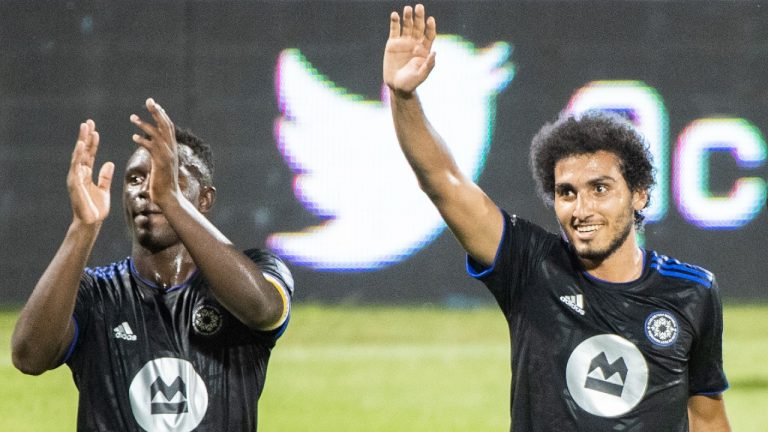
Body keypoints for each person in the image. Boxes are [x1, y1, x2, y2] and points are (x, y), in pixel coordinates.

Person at [383, 4, 730, 431]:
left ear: (639, 195)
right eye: (567, 192)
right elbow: (443, 181)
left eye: (599, 189)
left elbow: (707, 419)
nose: (581, 209)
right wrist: (404, 97)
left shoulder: (693, 291)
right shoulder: (529, 266)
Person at [11, 98, 293, 432]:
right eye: (134, 179)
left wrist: (170, 199)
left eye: (167, 178)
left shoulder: (257, 270)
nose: (147, 190)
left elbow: (263, 310)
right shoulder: (93, 293)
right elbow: (29, 356)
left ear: (204, 199)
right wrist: (82, 228)